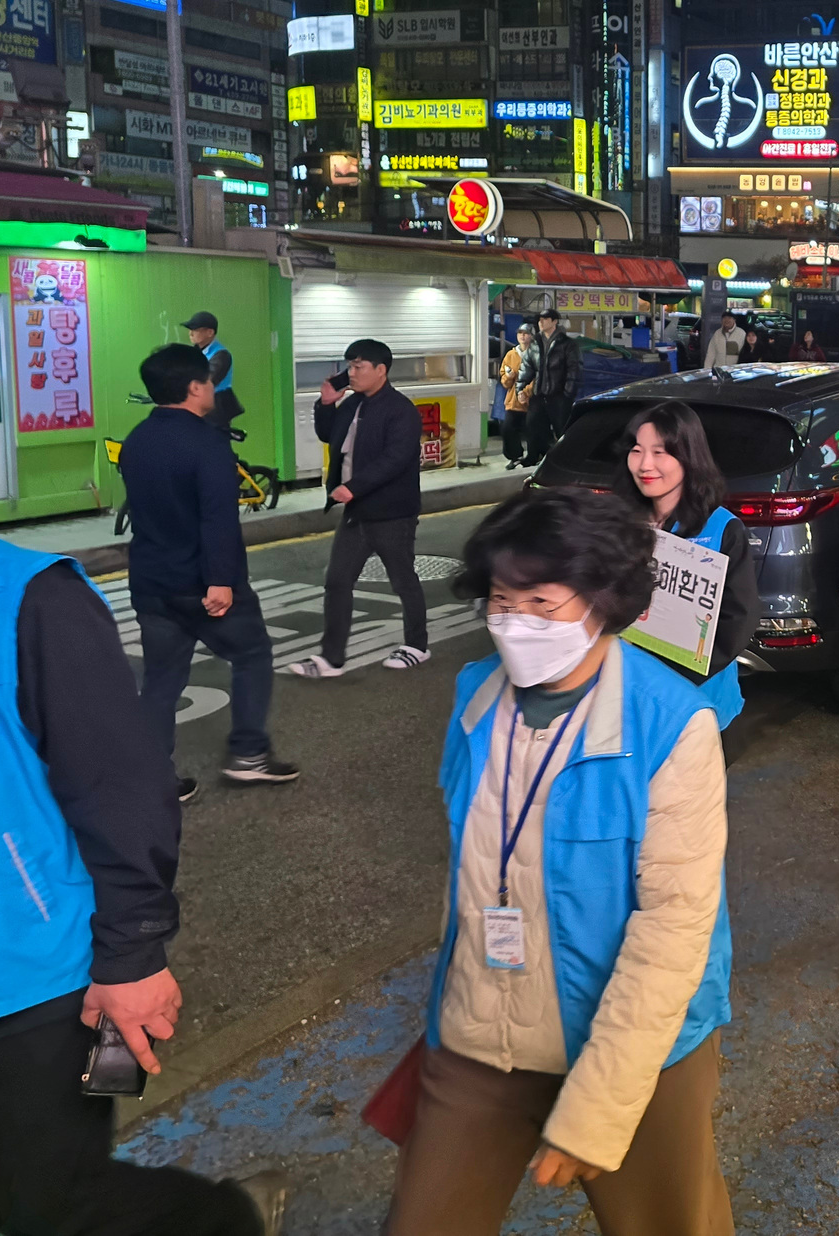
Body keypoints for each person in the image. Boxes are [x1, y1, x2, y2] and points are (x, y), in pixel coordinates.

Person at [384, 488, 733, 1236]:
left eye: (542, 602)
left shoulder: (673, 726)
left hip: (636, 1051)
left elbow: (674, 927)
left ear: (604, 602)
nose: (516, 624)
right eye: (501, 601)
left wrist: (599, 1103)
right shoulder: (473, 696)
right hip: (482, 1031)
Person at [0, 515, 288, 1236]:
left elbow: (123, 786)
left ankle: (226, 1219)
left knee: (54, 1208)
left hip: (32, 985)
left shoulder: (32, 601)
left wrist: (134, 952)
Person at [120, 344, 299, 792]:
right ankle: (249, 754)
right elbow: (217, 517)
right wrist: (221, 581)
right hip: (201, 583)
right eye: (209, 382)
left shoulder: (136, 441)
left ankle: (151, 777)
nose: (214, 389)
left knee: (162, 678)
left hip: (152, 582)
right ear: (195, 387)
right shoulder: (207, 443)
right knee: (252, 654)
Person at [612, 400, 761, 731]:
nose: (645, 464)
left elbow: (739, 620)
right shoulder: (620, 523)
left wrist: (670, 680)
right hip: (624, 697)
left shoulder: (722, 529)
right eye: (637, 450)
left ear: (688, 457)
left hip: (696, 703)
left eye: (660, 452)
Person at [290, 338, 429, 678]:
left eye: (358, 366)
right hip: (356, 513)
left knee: (403, 580)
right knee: (337, 581)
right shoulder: (352, 405)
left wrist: (352, 488)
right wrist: (325, 404)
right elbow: (329, 436)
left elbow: (395, 460)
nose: (351, 373)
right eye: (349, 366)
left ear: (381, 370)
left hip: (392, 512)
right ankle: (331, 658)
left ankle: (417, 645)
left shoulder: (400, 409)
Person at [522, 309, 582, 463]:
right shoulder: (535, 342)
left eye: (545, 319)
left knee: (562, 428)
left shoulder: (567, 344)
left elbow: (574, 369)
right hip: (539, 393)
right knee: (532, 425)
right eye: (539, 319)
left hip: (559, 395)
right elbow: (527, 366)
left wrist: (568, 394)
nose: (541, 322)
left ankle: (567, 459)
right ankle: (532, 457)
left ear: (555, 321)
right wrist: (520, 387)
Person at [185, 309, 244, 433]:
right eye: (190, 329)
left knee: (214, 444)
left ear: (210, 332)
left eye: (195, 330)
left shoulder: (221, 355)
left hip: (216, 407)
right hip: (200, 406)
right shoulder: (194, 352)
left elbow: (206, 380)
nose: (191, 333)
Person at [499, 323, 536, 470]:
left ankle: (535, 456)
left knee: (533, 430)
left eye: (526, 333)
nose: (522, 336)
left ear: (532, 336)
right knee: (508, 429)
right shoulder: (511, 354)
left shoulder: (536, 354)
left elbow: (538, 377)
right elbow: (504, 378)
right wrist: (508, 377)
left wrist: (526, 392)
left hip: (532, 400)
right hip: (513, 401)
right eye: (520, 333)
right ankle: (515, 456)